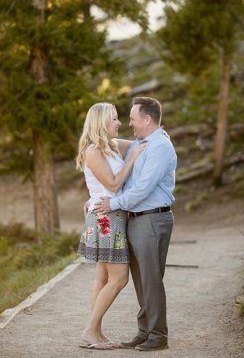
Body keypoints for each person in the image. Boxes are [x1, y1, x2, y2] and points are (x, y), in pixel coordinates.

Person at [97, 96, 176, 352]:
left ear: (147, 119)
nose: (128, 122)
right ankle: (145, 331)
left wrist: (113, 203)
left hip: (152, 218)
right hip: (136, 219)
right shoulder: (141, 143)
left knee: (151, 279)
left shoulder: (160, 147)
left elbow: (142, 189)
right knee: (141, 280)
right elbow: (105, 142)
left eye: (132, 118)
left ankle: (158, 335)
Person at [75, 102, 149, 350]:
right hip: (106, 219)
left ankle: (95, 331)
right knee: (119, 279)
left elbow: (141, 141)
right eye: (115, 119)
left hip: (110, 215)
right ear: (101, 123)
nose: (120, 123)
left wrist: (159, 135)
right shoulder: (94, 151)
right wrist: (134, 159)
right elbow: (114, 184)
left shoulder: (112, 146)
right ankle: (90, 330)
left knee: (102, 276)